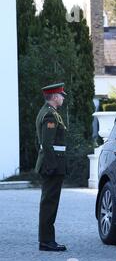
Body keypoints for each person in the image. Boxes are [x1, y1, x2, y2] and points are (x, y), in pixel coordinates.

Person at [35, 83, 68, 252]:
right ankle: (47, 241)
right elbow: (47, 144)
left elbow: (41, 143)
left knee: (48, 202)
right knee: (49, 203)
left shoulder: (48, 112)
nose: (62, 98)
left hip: (50, 163)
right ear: (54, 97)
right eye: (61, 95)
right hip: (52, 165)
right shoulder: (50, 115)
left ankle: (46, 239)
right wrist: (52, 166)